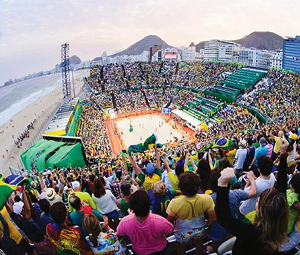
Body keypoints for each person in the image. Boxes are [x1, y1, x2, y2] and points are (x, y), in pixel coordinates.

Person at [216, 167, 288, 255]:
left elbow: (224, 218)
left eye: (258, 202)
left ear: (261, 212)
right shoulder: (278, 228)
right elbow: (282, 184)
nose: (257, 199)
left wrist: (222, 184)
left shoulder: (251, 233)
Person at [166, 172, 216, 255]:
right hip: (200, 228)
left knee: (181, 247)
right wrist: (207, 224)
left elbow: (169, 221)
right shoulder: (207, 198)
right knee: (199, 243)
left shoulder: (175, 203)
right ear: (198, 186)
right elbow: (213, 218)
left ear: (181, 188)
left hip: (182, 231)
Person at [117, 190, 174, 255]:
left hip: (139, 251)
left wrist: (130, 217)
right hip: (160, 250)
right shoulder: (160, 220)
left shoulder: (125, 222)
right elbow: (170, 231)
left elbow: (119, 235)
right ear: (149, 205)